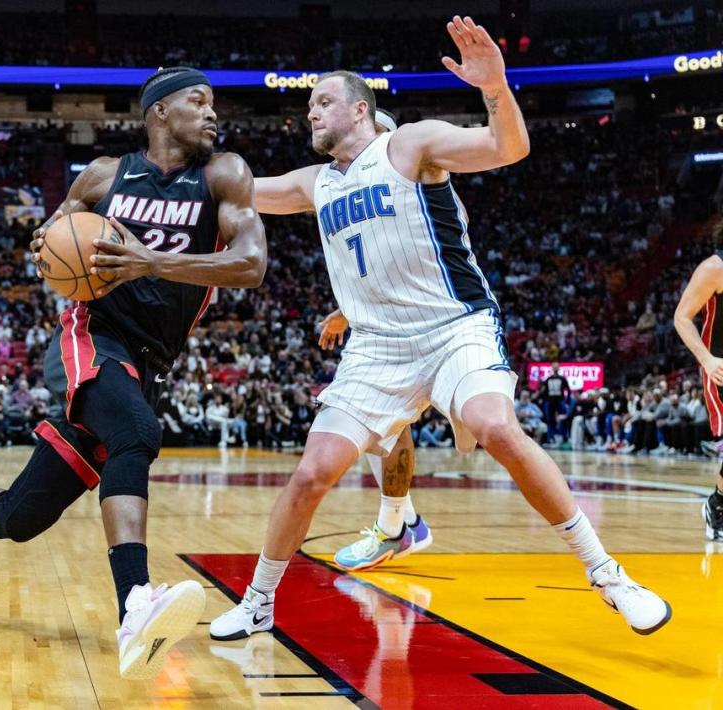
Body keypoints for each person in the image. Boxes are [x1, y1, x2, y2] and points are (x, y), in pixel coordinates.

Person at [210, 16, 670, 643]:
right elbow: (235, 194)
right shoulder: (313, 184)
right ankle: (260, 601)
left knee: (494, 426)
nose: (309, 114)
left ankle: (608, 573)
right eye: (309, 106)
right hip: (377, 347)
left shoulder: (411, 145)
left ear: (361, 110)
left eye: (322, 102)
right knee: (313, 472)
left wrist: (495, 89)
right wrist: (162, 173)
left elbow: (507, 148)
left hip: (454, 326)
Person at [0, 66, 267, 679]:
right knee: (136, 434)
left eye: (214, 103)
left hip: (149, 363)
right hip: (93, 338)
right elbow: (53, 238)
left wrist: (150, 262)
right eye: (199, 101)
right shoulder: (105, 176)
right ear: (159, 112)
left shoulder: (224, 175)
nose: (213, 113)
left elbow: (250, 264)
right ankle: (134, 605)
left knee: (20, 518)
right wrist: (45, 246)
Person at [314, 106, 434, 572]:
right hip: (389, 331)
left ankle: (400, 524)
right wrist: (347, 311)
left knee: (490, 428)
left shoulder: (410, 185)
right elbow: (381, 271)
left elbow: (409, 266)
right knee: (379, 428)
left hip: (437, 327)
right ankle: (400, 523)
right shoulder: (352, 190)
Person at [673, 250, 723, 540]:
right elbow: (681, 317)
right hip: (719, 366)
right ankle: (716, 507)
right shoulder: (715, 267)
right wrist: (706, 359)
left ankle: (718, 502)